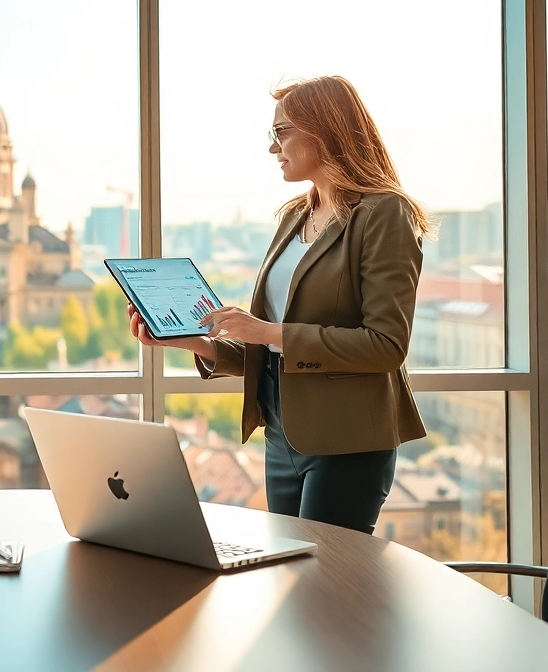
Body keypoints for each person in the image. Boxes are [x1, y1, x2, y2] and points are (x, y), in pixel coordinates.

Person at [130, 75, 428, 535]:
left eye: (282, 132)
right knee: (290, 573)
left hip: (346, 439)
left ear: (325, 130)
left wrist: (265, 332)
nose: (274, 147)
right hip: (281, 432)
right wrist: (198, 341)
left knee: (324, 585)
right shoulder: (295, 214)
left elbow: (386, 345)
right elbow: (273, 344)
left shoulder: (384, 213)